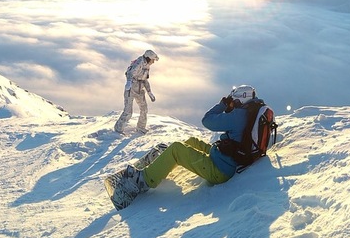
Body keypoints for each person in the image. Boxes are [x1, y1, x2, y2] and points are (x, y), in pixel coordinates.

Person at [108, 85, 267, 210]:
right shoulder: (251, 112)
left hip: (219, 170)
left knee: (177, 149)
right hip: (226, 159)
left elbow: (207, 120)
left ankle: (143, 180)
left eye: (233, 101)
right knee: (191, 141)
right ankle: (163, 162)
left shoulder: (238, 116)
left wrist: (221, 105)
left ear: (240, 100)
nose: (231, 105)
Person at [113, 49, 159, 133]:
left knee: (144, 109)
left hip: (139, 89)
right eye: (153, 60)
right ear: (149, 58)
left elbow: (145, 80)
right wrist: (129, 82)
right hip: (131, 89)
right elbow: (130, 73)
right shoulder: (139, 63)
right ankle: (118, 130)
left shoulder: (147, 65)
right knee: (128, 111)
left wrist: (149, 92)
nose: (153, 62)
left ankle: (141, 128)